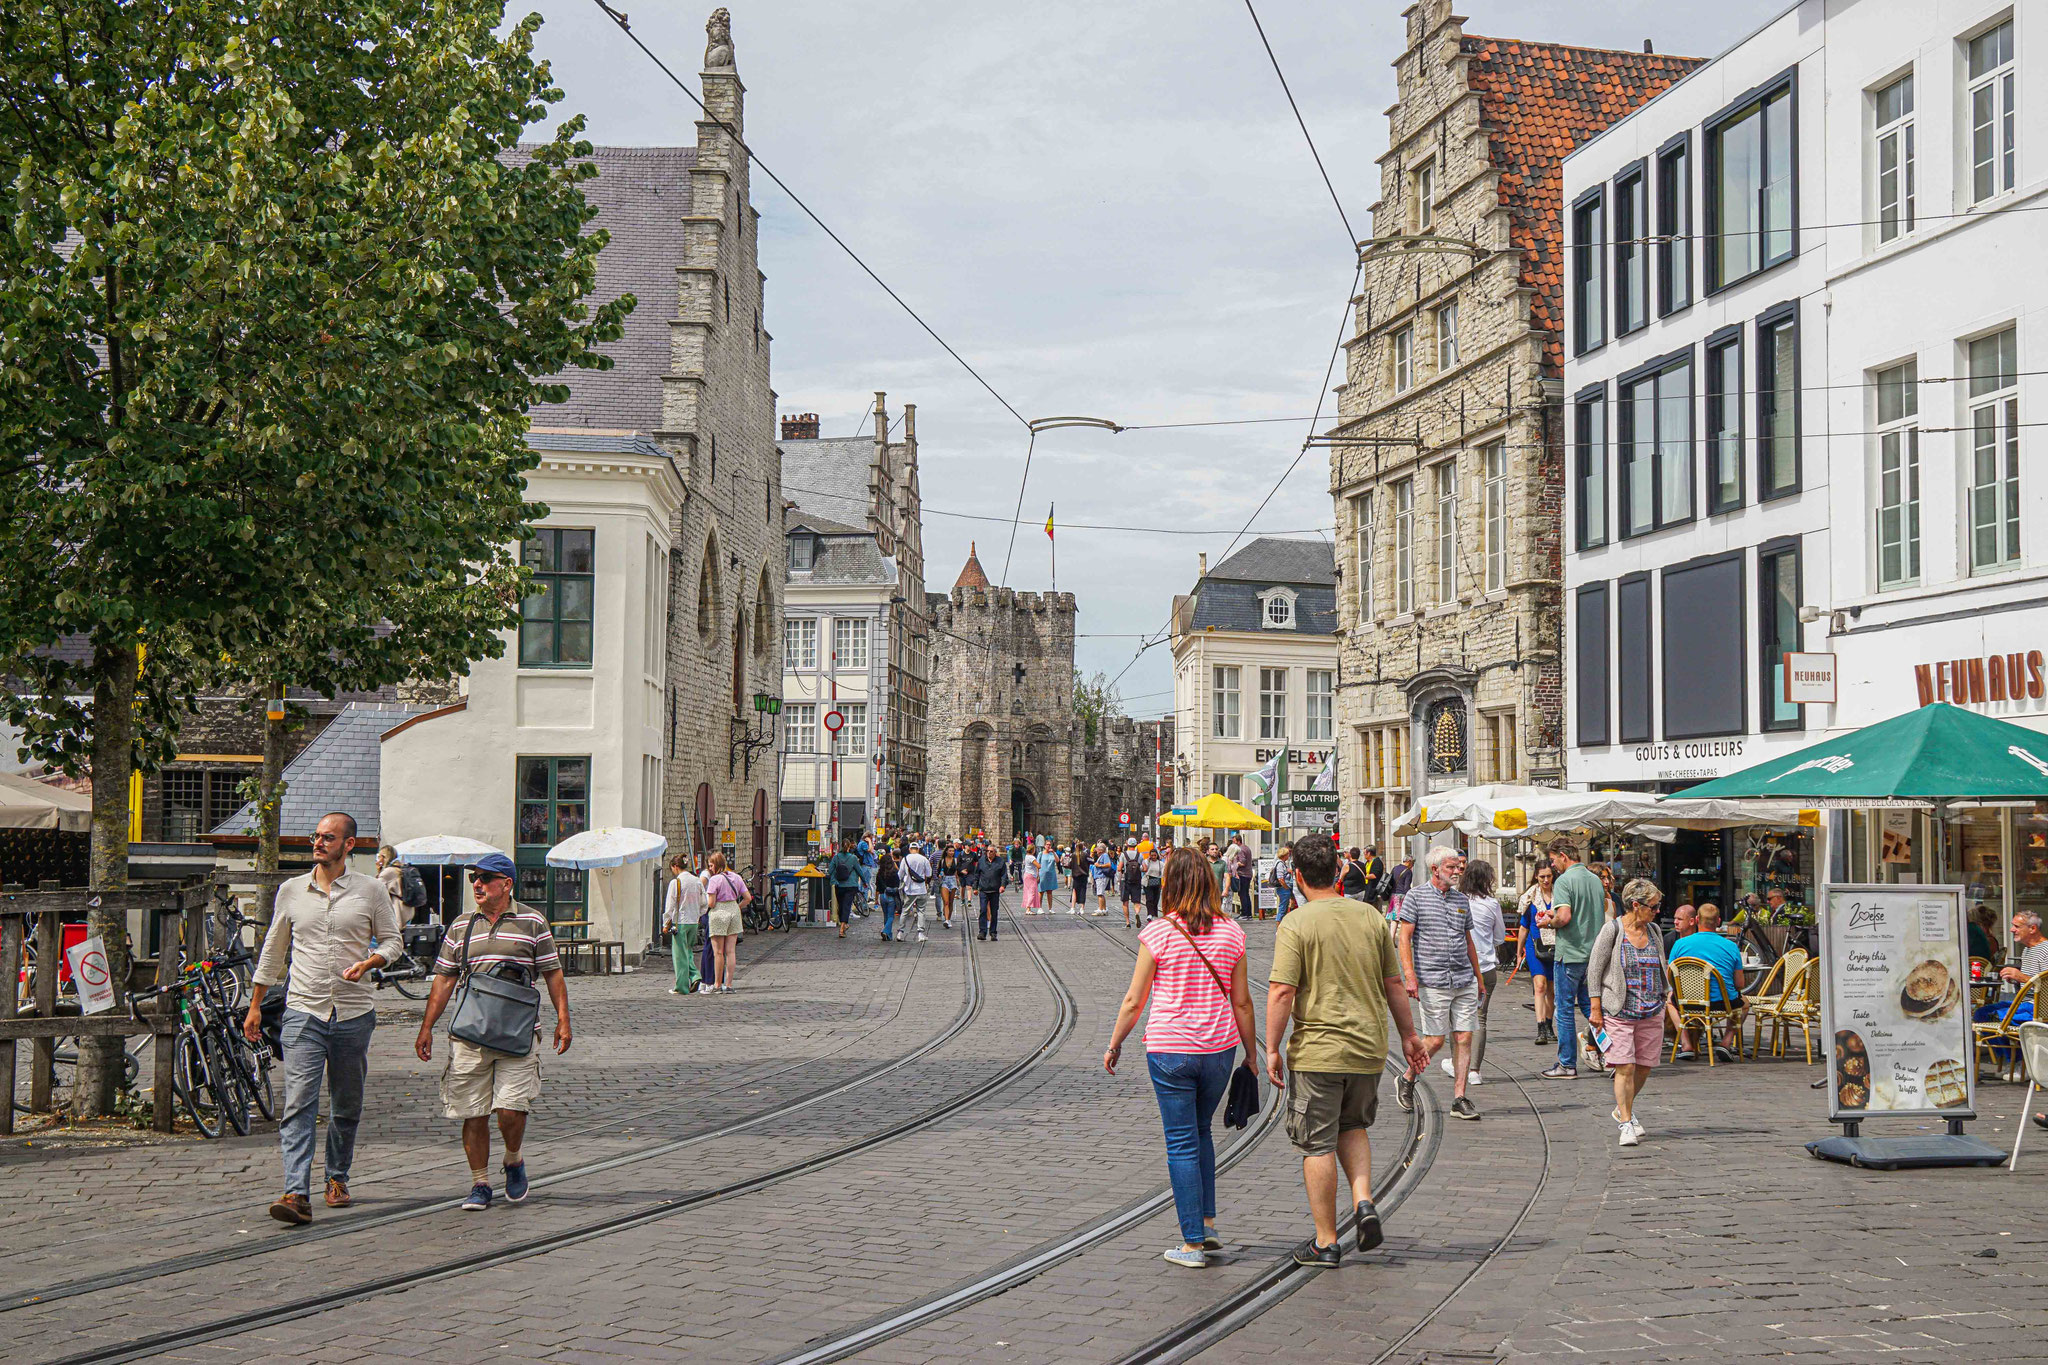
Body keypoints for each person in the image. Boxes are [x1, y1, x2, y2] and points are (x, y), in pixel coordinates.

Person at [1266, 832, 1429, 1269]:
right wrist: (1409, 1036)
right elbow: (1394, 984)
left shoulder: (1296, 923)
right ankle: (1363, 1201)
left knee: (1317, 1143)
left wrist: (1271, 1047)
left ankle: (1325, 1242)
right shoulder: (1371, 917)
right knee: (1353, 1126)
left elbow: (1281, 991)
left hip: (1318, 1051)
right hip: (1368, 1048)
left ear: (1297, 876)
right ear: (1338, 870)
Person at [1103, 847, 1257, 1268]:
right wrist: (1252, 1054)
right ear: (1209, 881)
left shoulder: (1159, 932)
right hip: (1219, 1050)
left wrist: (1115, 1044)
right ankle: (1206, 1224)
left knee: (1182, 1142)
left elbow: (1135, 1000)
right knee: (1201, 1132)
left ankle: (1191, 1243)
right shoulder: (1231, 932)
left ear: (1170, 883)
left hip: (1170, 1048)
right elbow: (1243, 1003)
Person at [243, 812, 401, 1224]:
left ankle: (337, 1177)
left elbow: (393, 941)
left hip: (353, 1013)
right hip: (303, 1011)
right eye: (316, 836)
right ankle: (296, 1192)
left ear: (349, 844)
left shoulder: (371, 890)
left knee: (346, 1104)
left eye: (328, 837)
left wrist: (371, 962)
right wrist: (255, 1004)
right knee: (299, 1102)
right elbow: (274, 950)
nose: (318, 843)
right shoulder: (292, 890)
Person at [414, 851, 571, 1210]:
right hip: (470, 1033)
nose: (477, 884)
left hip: (519, 1033)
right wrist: (427, 1028)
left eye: (485, 878)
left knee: (511, 1110)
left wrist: (563, 1020)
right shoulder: (461, 926)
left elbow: (553, 973)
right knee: (473, 1111)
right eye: (474, 878)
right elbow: (444, 980)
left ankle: (513, 1158)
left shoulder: (532, 922)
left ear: (507, 884)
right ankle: (480, 1182)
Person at [1396, 846, 1484, 1121]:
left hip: (1463, 977)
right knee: (1435, 1040)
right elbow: (1404, 938)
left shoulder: (1461, 900)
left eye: (1458, 867)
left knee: (1464, 1036)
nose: (1457, 871)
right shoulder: (1416, 897)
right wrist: (1410, 975)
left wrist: (1479, 977)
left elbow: (1468, 941)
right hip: (1432, 979)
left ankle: (1459, 1097)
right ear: (1435, 869)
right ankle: (1408, 1077)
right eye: (1451, 867)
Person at [1588, 879, 1668, 1147]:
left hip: (1651, 1009)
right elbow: (1594, 970)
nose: (1657, 911)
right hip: (1619, 1009)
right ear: (1636, 905)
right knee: (1625, 1066)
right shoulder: (1612, 930)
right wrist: (1595, 1008)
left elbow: (1661, 964)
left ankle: (1623, 1108)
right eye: (1653, 907)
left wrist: (1665, 995)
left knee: (1644, 1066)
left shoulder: (1654, 931)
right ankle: (1625, 1122)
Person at [1540, 836, 1606, 1080]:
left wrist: (1550, 922)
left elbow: (1565, 917)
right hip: (1595, 955)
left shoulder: (1564, 880)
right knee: (1592, 1008)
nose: (1553, 865)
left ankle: (1567, 1064)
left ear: (1563, 856)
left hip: (1570, 954)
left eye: (1553, 859)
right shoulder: (1595, 880)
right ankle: (1612, 1054)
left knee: (1565, 1009)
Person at [1450, 858, 1506, 1088]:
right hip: (1486, 967)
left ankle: (1457, 1066)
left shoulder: (1455, 900)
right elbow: (1500, 937)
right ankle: (1474, 1070)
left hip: (1459, 967)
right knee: (1480, 1018)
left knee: (1457, 1018)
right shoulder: (1491, 904)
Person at [1666, 904, 1746, 1060]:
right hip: (1722, 1003)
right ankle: (1726, 1043)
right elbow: (1740, 984)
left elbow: (1671, 977)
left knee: (1670, 1000)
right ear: (1718, 921)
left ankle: (1686, 1044)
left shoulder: (1680, 944)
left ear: (1697, 920)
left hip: (1688, 1003)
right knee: (1744, 1003)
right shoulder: (1731, 946)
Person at [1518, 865, 1556, 1045]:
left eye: (1549, 876)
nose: (1546, 880)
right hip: (1535, 945)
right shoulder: (1530, 897)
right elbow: (1523, 926)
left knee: (1552, 989)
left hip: (1555, 945)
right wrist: (1519, 952)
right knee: (1540, 985)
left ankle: (1549, 1024)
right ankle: (1540, 1028)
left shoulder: (1560, 895)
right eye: (1542, 877)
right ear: (1536, 877)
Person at [703, 853, 750, 992]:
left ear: (717, 865)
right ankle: (728, 985)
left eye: (711, 865)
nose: (710, 868)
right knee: (730, 951)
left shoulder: (715, 879)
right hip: (734, 912)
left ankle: (717, 985)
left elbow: (711, 903)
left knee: (718, 952)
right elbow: (748, 898)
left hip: (719, 913)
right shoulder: (736, 877)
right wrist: (737, 907)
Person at [662, 854, 706, 995]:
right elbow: (704, 902)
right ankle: (695, 976)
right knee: (688, 951)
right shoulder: (697, 881)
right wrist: (698, 914)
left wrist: (666, 922)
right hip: (694, 921)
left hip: (680, 922)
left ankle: (681, 986)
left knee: (679, 955)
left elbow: (670, 905)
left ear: (675, 867)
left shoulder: (676, 883)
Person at [973, 842, 1009, 942]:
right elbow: (976, 875)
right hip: (983, 890)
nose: (989, 853)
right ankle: (982, 932)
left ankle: (993, 932)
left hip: (995, 890)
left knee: (994, 912)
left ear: (995, 853)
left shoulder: (1000, 862)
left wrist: (1003, 886)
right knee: (983, 910)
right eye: (987, 851)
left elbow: (1004, 875)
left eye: (991, 851)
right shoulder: (981, 861)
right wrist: (975, 887)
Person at [828, 837, 862, 939]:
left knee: (841, 906)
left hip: (839, 885)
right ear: (849, 847)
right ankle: (842, 929)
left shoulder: (836, 857)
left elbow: (830, 870)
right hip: (851, 885)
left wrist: (835, 877)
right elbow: (859, 870)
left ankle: (844, 924)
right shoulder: (853, 858)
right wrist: (864, 882)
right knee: (847, 906)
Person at [901, 843, 934, 943]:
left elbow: (900, 874)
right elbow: (929, 874)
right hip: (921, 889)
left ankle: (900, 932)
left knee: (905, 910)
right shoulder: (924, 859)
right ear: (918, 849)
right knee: (921, 911)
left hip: (909, 889)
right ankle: (920, 933)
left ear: (910, 849)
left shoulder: (905, 859)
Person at [875, 849, 903, 941]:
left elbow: (877, 887)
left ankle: (889, 935)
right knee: (891, 916)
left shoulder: (880, 873)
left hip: (882, 895)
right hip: (891, 896)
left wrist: (876, 899)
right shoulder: (894, 872)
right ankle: (885, 931)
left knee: (886, 915)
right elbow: (897, 885)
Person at [1226, 835, 1255, 921]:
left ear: (1238, 841)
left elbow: (1243, 862)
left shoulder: (1240, 849)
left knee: (1242, 894)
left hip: (1243, 874)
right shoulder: (1246, 847)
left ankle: (1245, 913)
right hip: (1248, 873)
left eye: (1234, 841)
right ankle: (1248, 913)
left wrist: (1234, 864)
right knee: (1245, 894)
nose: (1233, 843)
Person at [1118, 838, 1146, 928]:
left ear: (1127, 844)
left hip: (1125, 880)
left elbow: (1119, 868)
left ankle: (1127, 922)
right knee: (1137, 902)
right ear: (1136, 844)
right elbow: (1145, 868)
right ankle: (1137, 913)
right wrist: (1138, 869)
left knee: (1125, 902)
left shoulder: (1123, 854)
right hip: (1136, 881)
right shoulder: (1139, 855)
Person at [1038, 840, 1064, 914]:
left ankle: (1050, 908)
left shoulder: (1052, 854)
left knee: (1049, 891)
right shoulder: (1041, 854)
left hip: (1051, 875)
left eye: (1049, 845)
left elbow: (1057, 861)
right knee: (1041, 891)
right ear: (1044, 845)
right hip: (1042, 874)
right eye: (1047, 844)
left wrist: (1054, 852)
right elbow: (1038, 864)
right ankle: (1040, 908)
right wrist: (1037, 874)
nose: (1048, 846)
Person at [1272, 843, 1296, 921]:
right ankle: (1279, 924)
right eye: (1288, 854)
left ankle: (1282, 922)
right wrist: (1286, 887)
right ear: (1284, 855)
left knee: (1284, 907)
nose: (1289, 855)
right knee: (1282, 908)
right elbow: (1280, 878)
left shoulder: (1283, 863)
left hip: (1285, 887)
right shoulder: (1280, 863)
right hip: (1283, 888)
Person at [1144, 843, 1168, 920]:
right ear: (1150, 855)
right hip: (1148, 880)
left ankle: (1154, 914)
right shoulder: (1147, 861)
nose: (1153, 857)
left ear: (1157, 855)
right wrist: (1147, 862)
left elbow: (1163, 873)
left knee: (1155, 899)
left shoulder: (1160, 863)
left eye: (1155, 855)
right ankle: (1149, 914)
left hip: (1156, 880)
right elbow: (1142, 868)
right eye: (1152, 855)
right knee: (1149, 898)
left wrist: (1163, 882)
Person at [938, 844, 960, 926]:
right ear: (946, 851)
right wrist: (939, 875)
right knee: (946, 902)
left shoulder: (956, 860)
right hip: (945, 880)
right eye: (950, 851)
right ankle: (946, 920)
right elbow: (938, 870)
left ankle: (949, 919)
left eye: (953, 851)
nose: (951, 852)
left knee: (951, 902)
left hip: (953, 880)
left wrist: (958, 881)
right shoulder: (942, 861)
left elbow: (957, 872)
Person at [1091, 842, 1114, 915]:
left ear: (1101, 850)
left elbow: (1108, 864)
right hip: (1099, 876)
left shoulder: (1104, 855)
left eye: (1097, 848)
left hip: (1101, 877)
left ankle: (1100, 909)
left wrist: (1099, 865)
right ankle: (1104, 909)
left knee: (1100, 894)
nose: (1096, 850)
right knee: (1102, 893)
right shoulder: (1101, 855)